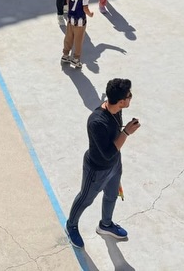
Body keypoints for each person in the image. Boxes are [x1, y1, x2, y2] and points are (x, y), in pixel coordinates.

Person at [65, 78, 140, 248]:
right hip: (97, 169)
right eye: (129, 96)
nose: (131, 97)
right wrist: (126, 132)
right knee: (85, 199)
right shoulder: (97, 122)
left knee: (112, 195)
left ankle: (105, 225)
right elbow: (107, 154)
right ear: (121, 101)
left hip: (115, 165)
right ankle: (71, 225)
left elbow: (114, 148)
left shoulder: (117, 110)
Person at [61, 0, 94, 68]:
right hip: (79, 21)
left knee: (68, 37)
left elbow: (68, 1)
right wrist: (90, 14)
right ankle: (76, 59)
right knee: (78, 40)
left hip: (70, 18)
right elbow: (85, 8)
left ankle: (65, 55)